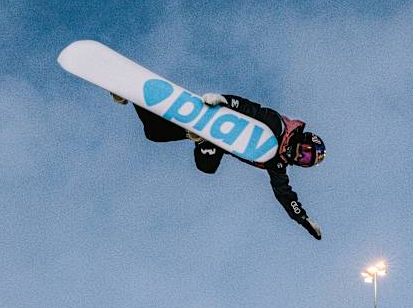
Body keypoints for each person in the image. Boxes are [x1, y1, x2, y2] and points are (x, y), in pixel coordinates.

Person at [112, 91, 325, 239]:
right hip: (222, 114)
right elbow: (250, 108)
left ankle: (135, 99)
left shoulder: (277, 162)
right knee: (164, 140)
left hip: (218, 142)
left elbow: (284, 194)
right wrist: (223, 100)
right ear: (302, 140)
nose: (298, 158)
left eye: (304, 162)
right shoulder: (278, 126)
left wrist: (303, 219)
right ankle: (201, 138)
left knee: (155, 134)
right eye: (304, 153)